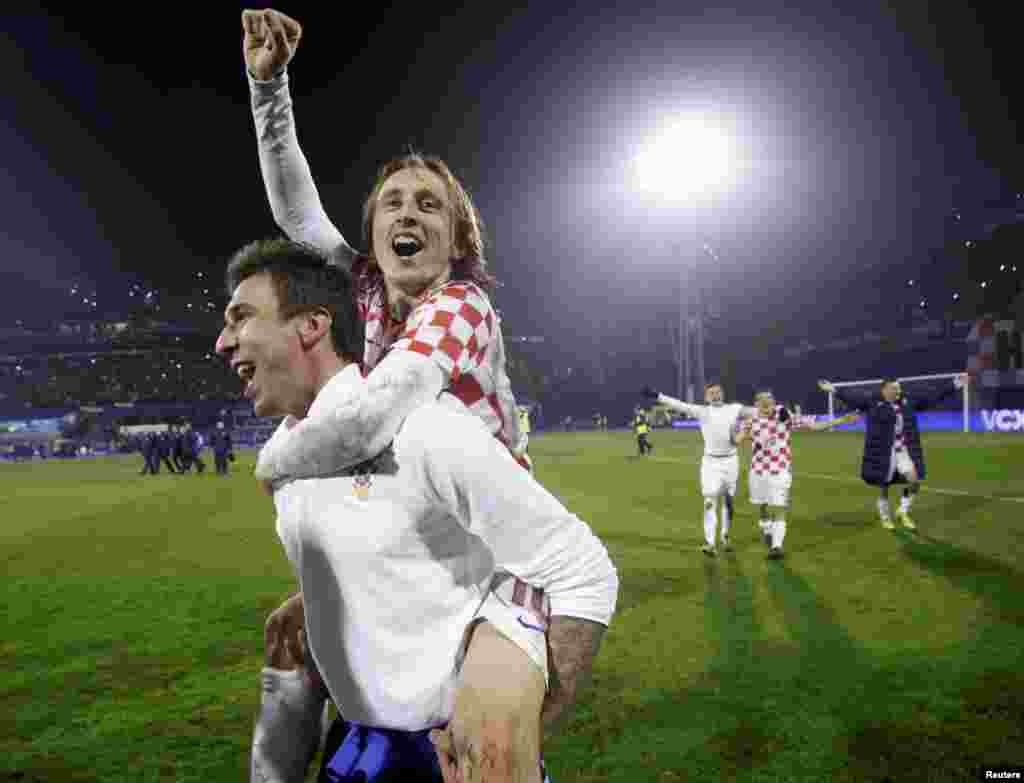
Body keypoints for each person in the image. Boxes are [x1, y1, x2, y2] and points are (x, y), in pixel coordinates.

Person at [241, 10, 580, 778]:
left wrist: (280, 458)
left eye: (428, 204)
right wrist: (269, 87)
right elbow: (297, 212)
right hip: (418, 543)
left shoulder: (459, 305)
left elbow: (370, 417)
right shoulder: (368, 289)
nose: (407, 212)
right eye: (393, 201)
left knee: (484, 743)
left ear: (457, 241)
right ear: (373, 231)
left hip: (494, 561)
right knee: (294, 648)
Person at [216, 239, 617, 783]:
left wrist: (538, 712)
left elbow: (582, 568)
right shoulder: (289, 461)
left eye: (241, 318)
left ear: (311, 326)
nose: (222, 343)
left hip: (447, 759)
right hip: (352, 748)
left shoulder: (423, 428)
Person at [818, 375, 967, 529]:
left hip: (903, 450)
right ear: (884, 389)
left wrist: (954, 384)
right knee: (884, 485)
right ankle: (885, 517)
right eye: (894, 388)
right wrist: (833, 390)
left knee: (914, 480)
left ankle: (902, 511)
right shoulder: (872, 402)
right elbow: (850, 398)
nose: (898, 391)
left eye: (898, 388)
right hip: (882, 452)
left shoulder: (907, 401)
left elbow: (933, 397)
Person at [734, 390, 859, 559]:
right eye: (763, 403)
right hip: (758, 470)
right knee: (762, 504)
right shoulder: (750, 421)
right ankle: (766, 526)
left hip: (780, 469)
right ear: (756, 405)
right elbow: (739, 440)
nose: (767, 406)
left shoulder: (784, 415)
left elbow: (814, 426)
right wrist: (742, 434)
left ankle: (777, 547)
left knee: (779, 507)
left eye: (770, 403)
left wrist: (842, 419)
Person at [642, 383, 755, 555]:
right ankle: (710, 543)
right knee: (709, 501)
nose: (716, 395)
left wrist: (778, 410)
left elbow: (759, 410)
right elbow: (679, 404)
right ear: (707, 397)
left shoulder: (735, 409)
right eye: (712, 393)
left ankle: (725, 537)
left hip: (731, 461)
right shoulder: (702, 411)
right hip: (710, 463)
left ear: (723, 393)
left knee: (728, 502)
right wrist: (657, 396)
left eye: (718, 392)